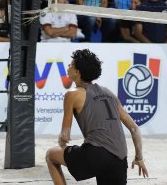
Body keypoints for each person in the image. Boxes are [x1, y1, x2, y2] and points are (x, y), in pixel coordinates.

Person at [46, 49, 148, 185]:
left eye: (71, 65)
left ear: (77, 73)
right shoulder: (109, 93)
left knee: (51, 155)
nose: (68, 67)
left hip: (95, 154)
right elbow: (134, 129)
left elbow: (65, 135)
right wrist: (139, 157)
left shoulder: (72, 94)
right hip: (120, 158)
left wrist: (62, 143)